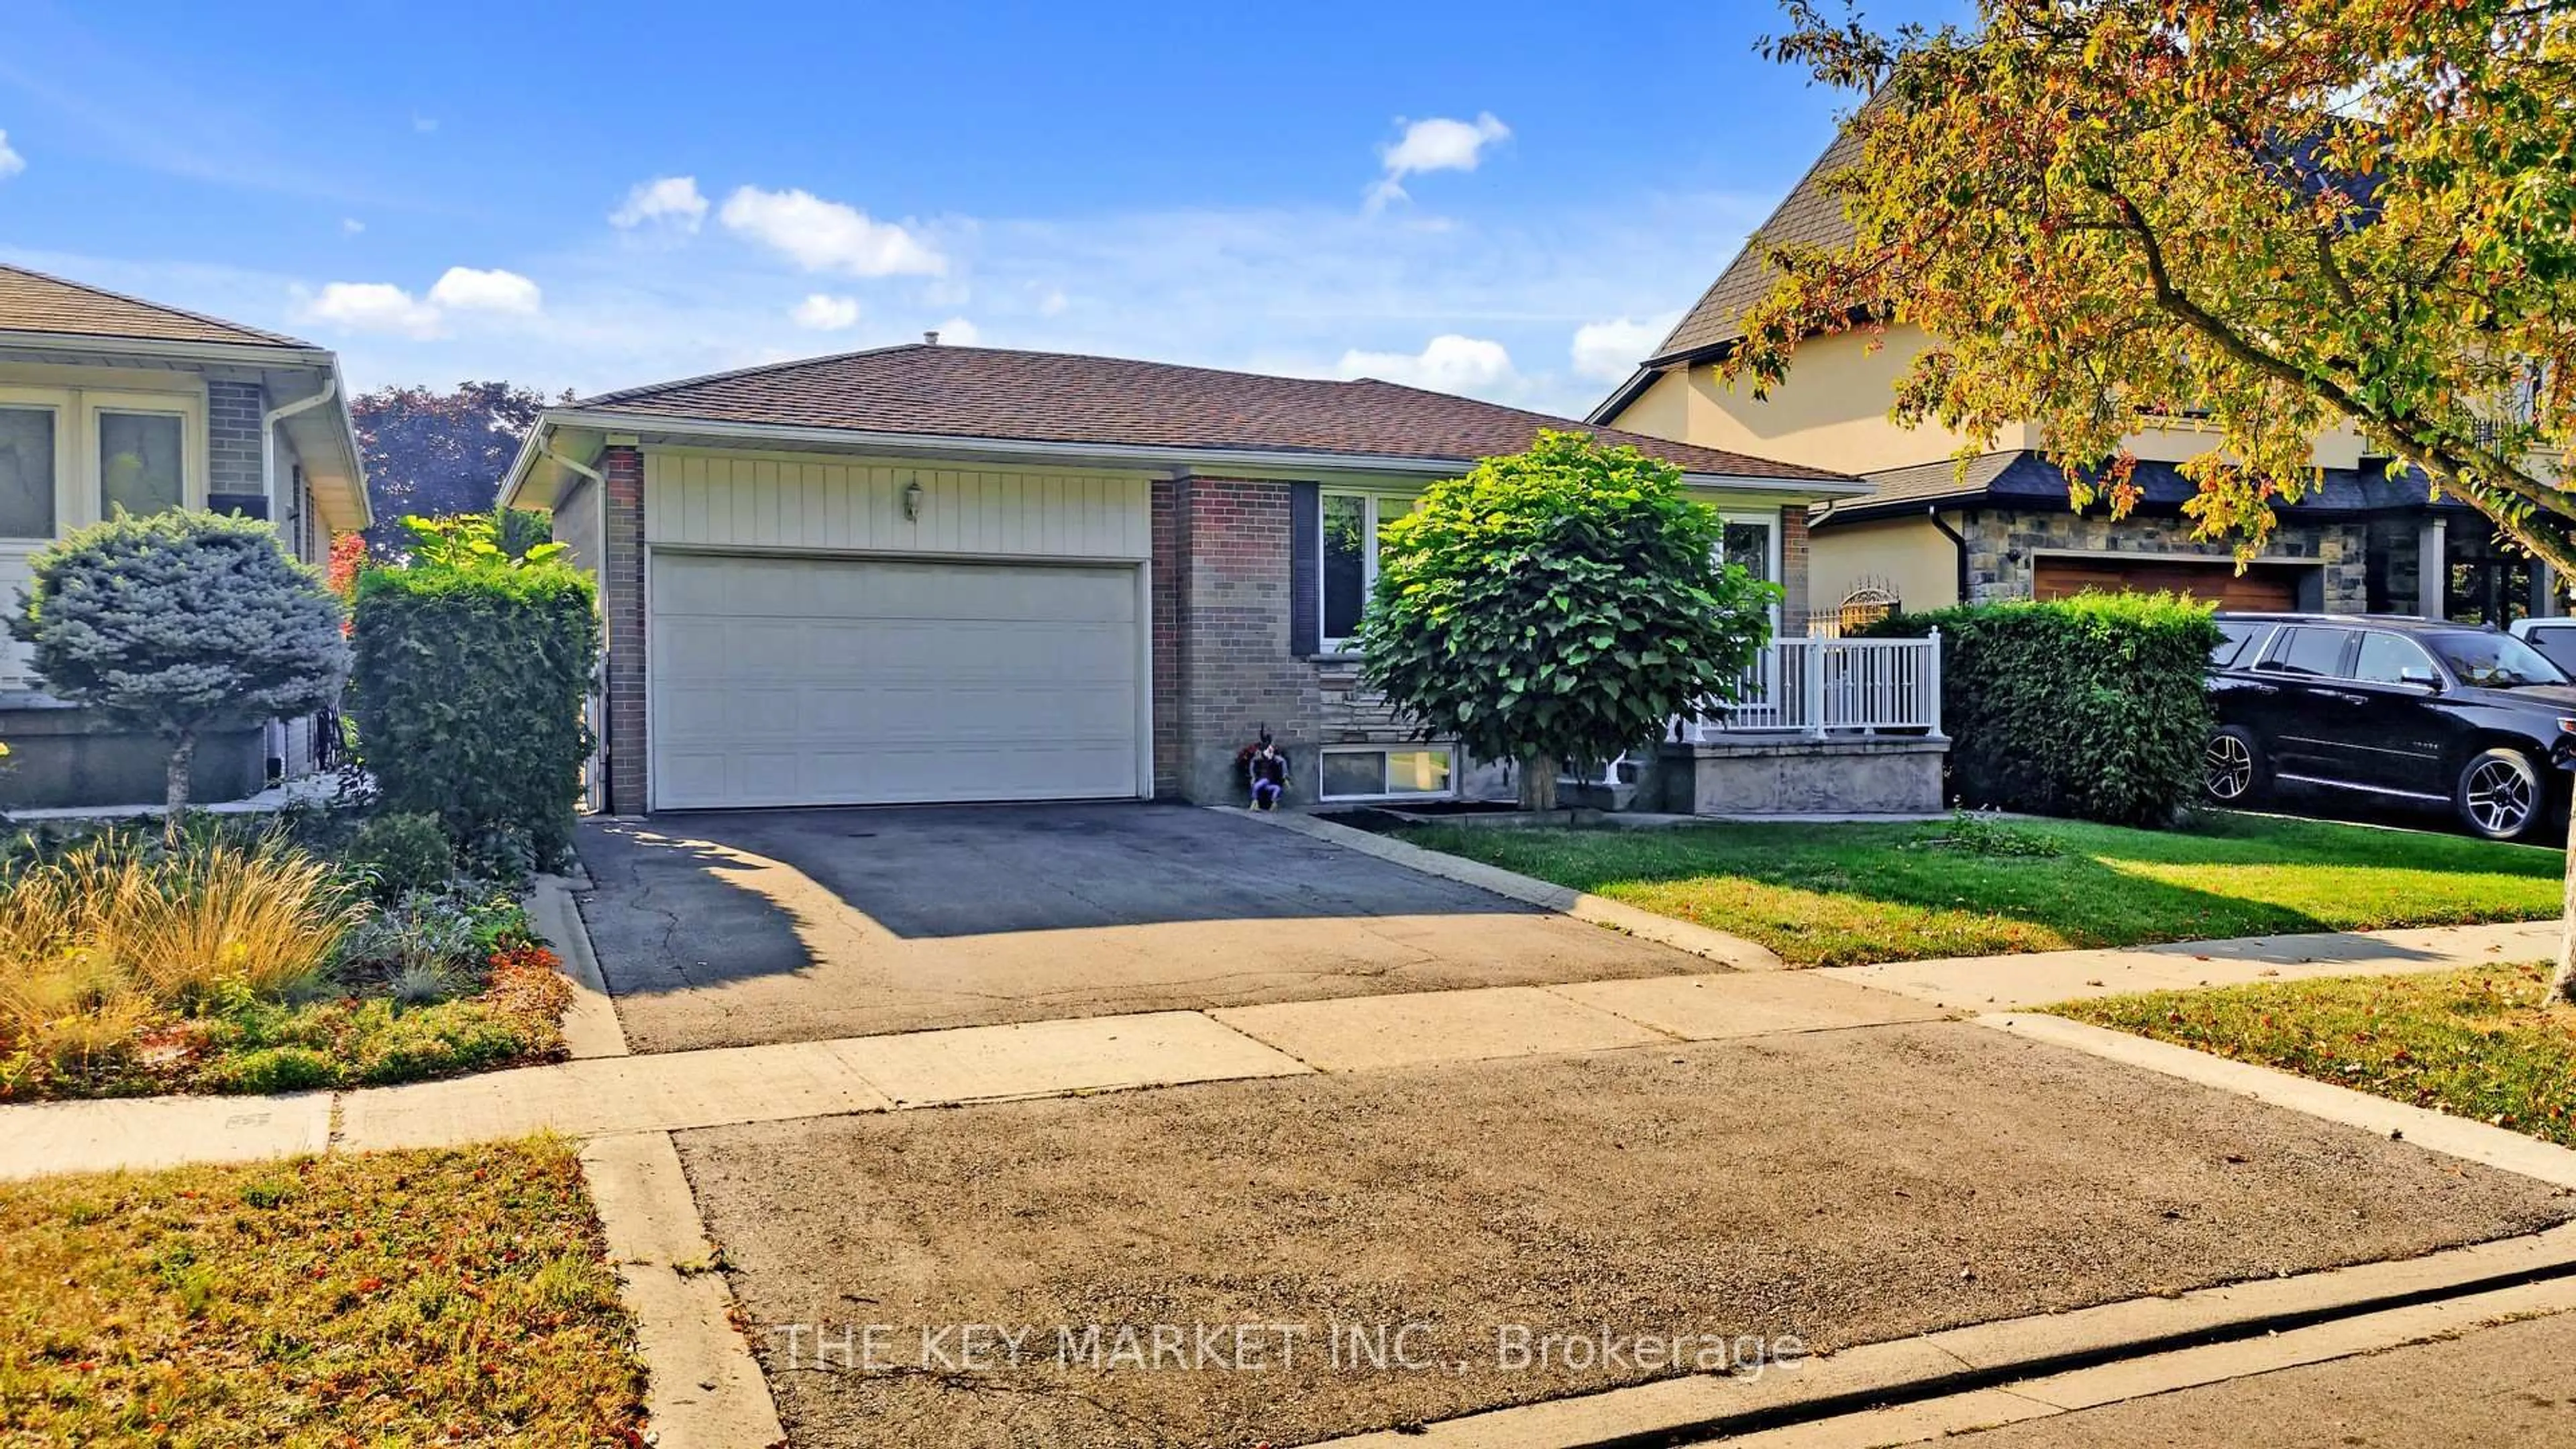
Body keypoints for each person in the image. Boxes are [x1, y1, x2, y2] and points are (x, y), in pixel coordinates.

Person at [1244, 730, 1290, 810]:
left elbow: (1282, 761)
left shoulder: (1275, 758)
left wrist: (1285, 776)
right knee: (1257, 786)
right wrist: (1253, 776)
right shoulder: (1261, 756)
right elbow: (1253, 761)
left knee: (1277, 788)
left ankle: (1274, 804)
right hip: (1263, 778)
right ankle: (1255, 802)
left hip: (1269, 780)